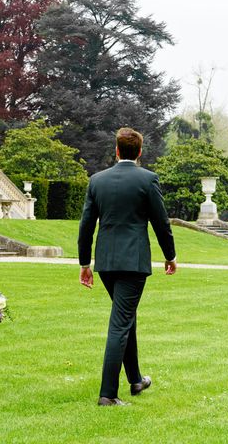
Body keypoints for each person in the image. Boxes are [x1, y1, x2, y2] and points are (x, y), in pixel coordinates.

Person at [77, 127, 177, 407]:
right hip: (133, 263)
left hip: (106, 263)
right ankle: (108, 394)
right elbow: (161, 222)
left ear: (117, 150)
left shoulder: (97, 181)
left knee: (125, 317)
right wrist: (170, 256)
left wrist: (85, 263)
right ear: (140, 152)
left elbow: (86, 225)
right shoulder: (148, 179)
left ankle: (135, 379)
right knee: (120, 323)